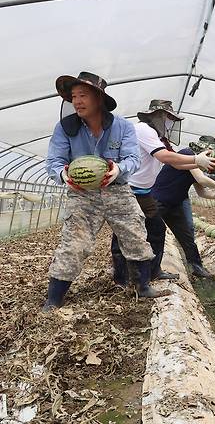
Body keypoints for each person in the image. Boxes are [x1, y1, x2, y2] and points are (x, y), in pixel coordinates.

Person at [43, 72, 158, 310]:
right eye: (73, 96)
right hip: (82, 194)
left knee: (135, 234)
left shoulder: (123, 126)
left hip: (117, 190)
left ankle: (143, 286)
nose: (76, 101)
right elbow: (54, 161)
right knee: (74, 243)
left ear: (99, 98)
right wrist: (64, 175)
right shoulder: (65, 128)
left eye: (83, 95)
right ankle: (53, 300)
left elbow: (132, 158)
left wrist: (118, 169)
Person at [110, 100, 215, 287]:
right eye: (168, 118)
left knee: (157, 230)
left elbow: (175, 162)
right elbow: (164, 157)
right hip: (127, 189)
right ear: (157, 116)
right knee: (123, 233)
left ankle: (154, 271)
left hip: (143, 192)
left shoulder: (158, 138)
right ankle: (121, 279)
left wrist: (200, 163)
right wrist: (196, 159)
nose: (170, 122)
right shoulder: (144, 130)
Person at [151, 146, 215, 277]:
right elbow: (201, 180)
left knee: (187, 236)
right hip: (158, 201)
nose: (208, 169)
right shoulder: (187, 154)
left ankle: (196, 267)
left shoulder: (196, 168)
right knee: (156, 235)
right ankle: (153, 271)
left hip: (175, 204)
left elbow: (202, 192)